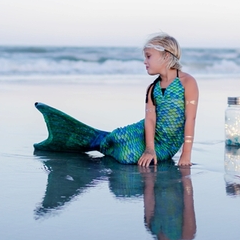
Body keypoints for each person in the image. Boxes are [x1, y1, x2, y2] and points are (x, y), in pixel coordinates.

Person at [33, 33, 199, 166]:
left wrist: (185, 155)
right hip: (147, 131)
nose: (145, 61)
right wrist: (149, 149)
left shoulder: (187, 83)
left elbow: (190, 119)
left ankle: (94, 140)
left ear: (165, 55)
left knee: (128, 157)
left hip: (167, 144)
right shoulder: (152, 88)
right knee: (119, 137)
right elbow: (150, 120)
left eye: (148, 56)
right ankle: (95, 138)